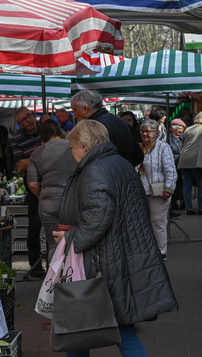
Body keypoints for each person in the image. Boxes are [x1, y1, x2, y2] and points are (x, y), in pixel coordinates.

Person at [53, 119, 177, 357]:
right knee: (87, 329)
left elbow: (98, 219)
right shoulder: (118, 163)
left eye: (72, 146)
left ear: (85, 147)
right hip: (122, 257)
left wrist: (70, 238)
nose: (70, 151)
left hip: (107, 262)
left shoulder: (94, 170)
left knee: (106, 330)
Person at [27, 120, 76, 258]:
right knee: (73, 242)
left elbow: (32, 184)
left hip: (48, 202)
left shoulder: (36, 153)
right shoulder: (72, 147)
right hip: (71, 200)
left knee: (53, 244)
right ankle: (73, 277)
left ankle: (54, 278)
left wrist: (42, 196)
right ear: (59, 131)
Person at [137, 119, 177, 260]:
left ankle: (161, 252)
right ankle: (148, 250)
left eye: (148, 131)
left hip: (159, 192)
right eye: (143, 131)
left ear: (156, 133)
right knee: (143, 222)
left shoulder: (163, 147)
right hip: (141, 191)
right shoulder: (139, 147)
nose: (145, 134)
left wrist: (169, 188)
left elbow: (170, 170)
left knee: (158, 222)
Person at [12, 106, 44, 277]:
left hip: (53, 181)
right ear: (20, 125)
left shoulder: (46, 128)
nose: (28, 120)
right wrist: (43, 153)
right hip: (33, 183)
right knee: (35, 224)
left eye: (29, 116)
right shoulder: (17, 139)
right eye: (23, 120)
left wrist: (31, 158)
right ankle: (35, 264)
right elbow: (21, 165)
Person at [70, 90, 143, 166]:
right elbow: (138, 154)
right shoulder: (121, 121)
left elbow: (93, 159)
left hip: (108, 174)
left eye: (75, 110)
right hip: (126, 172)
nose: (74, 115)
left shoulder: (94, 127)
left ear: (85, 107)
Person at [178, 112, 202, 214]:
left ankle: (189, 208)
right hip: (195, 160)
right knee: (200, 183)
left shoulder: (188, 129)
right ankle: (201, 207)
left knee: (187, 184)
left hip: (184, 159)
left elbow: (183, 142)